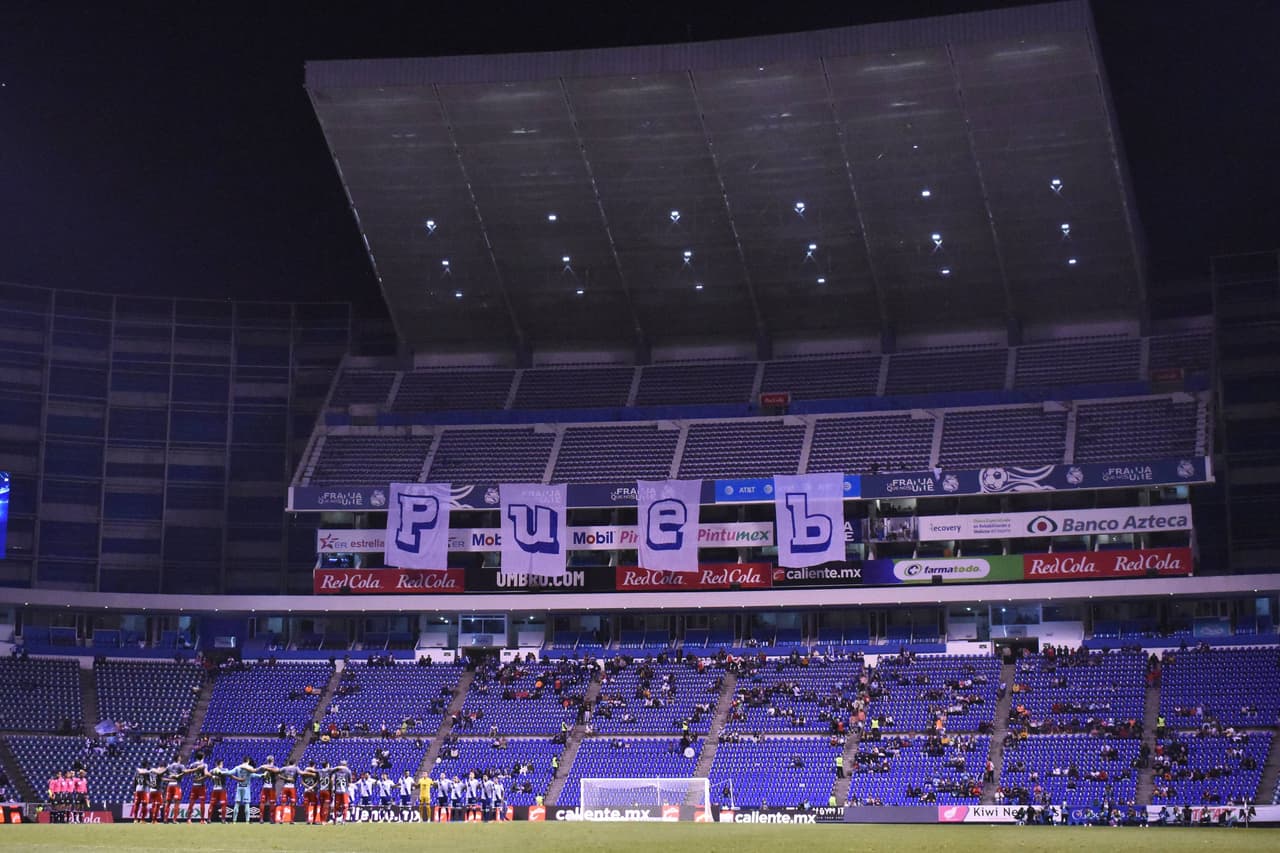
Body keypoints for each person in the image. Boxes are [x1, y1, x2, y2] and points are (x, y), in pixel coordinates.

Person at [256, 755, 280, 823]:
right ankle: (272, 819)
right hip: (271, 787)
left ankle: (261, 819)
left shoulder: (263, 766)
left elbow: (255, 770)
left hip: (264, 787)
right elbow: (277, 771)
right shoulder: (275, 767)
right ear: (273, 760)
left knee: (262, 802)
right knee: (272, 803)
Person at [185, 758, 210, 823]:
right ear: (203, 757)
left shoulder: (192, 764)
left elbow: (187, 772)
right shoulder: (204, 765)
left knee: (191, 803)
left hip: (194, 785)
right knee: (202, 803)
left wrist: (193, 777)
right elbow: (206, 774)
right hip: (201, 786)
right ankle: (202, 820)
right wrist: (207, 776)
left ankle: (188, 819)